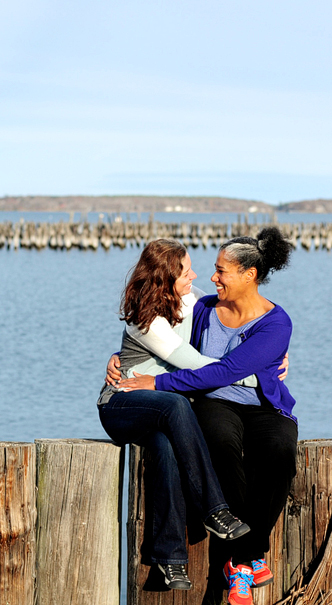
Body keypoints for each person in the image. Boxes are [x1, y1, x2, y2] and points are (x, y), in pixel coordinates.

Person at [117, 227, 299, 605]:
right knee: (218, 441)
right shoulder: (203, 307)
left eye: (221, 271)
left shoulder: (276, 323)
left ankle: (244, 555)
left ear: (249, 275)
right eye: (213, 270)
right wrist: (120, 360)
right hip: (214, 400)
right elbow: (156, 326)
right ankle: (246, 562)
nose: (212, 277)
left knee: (279, 451)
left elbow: (226, 369)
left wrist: (162, 382)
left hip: (264, 404)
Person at [97, 238, 252, 592]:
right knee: (177, 403)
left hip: (161, 412)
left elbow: (237, 315)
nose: (194, 275)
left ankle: (171, 561)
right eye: (185, 271)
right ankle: (214, 508)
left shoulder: (190, 297)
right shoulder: (145, 319)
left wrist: (268, 361)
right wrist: (253, 376)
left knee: (165, 450)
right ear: (165, 278)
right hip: (122, 405)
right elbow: (192, 363)